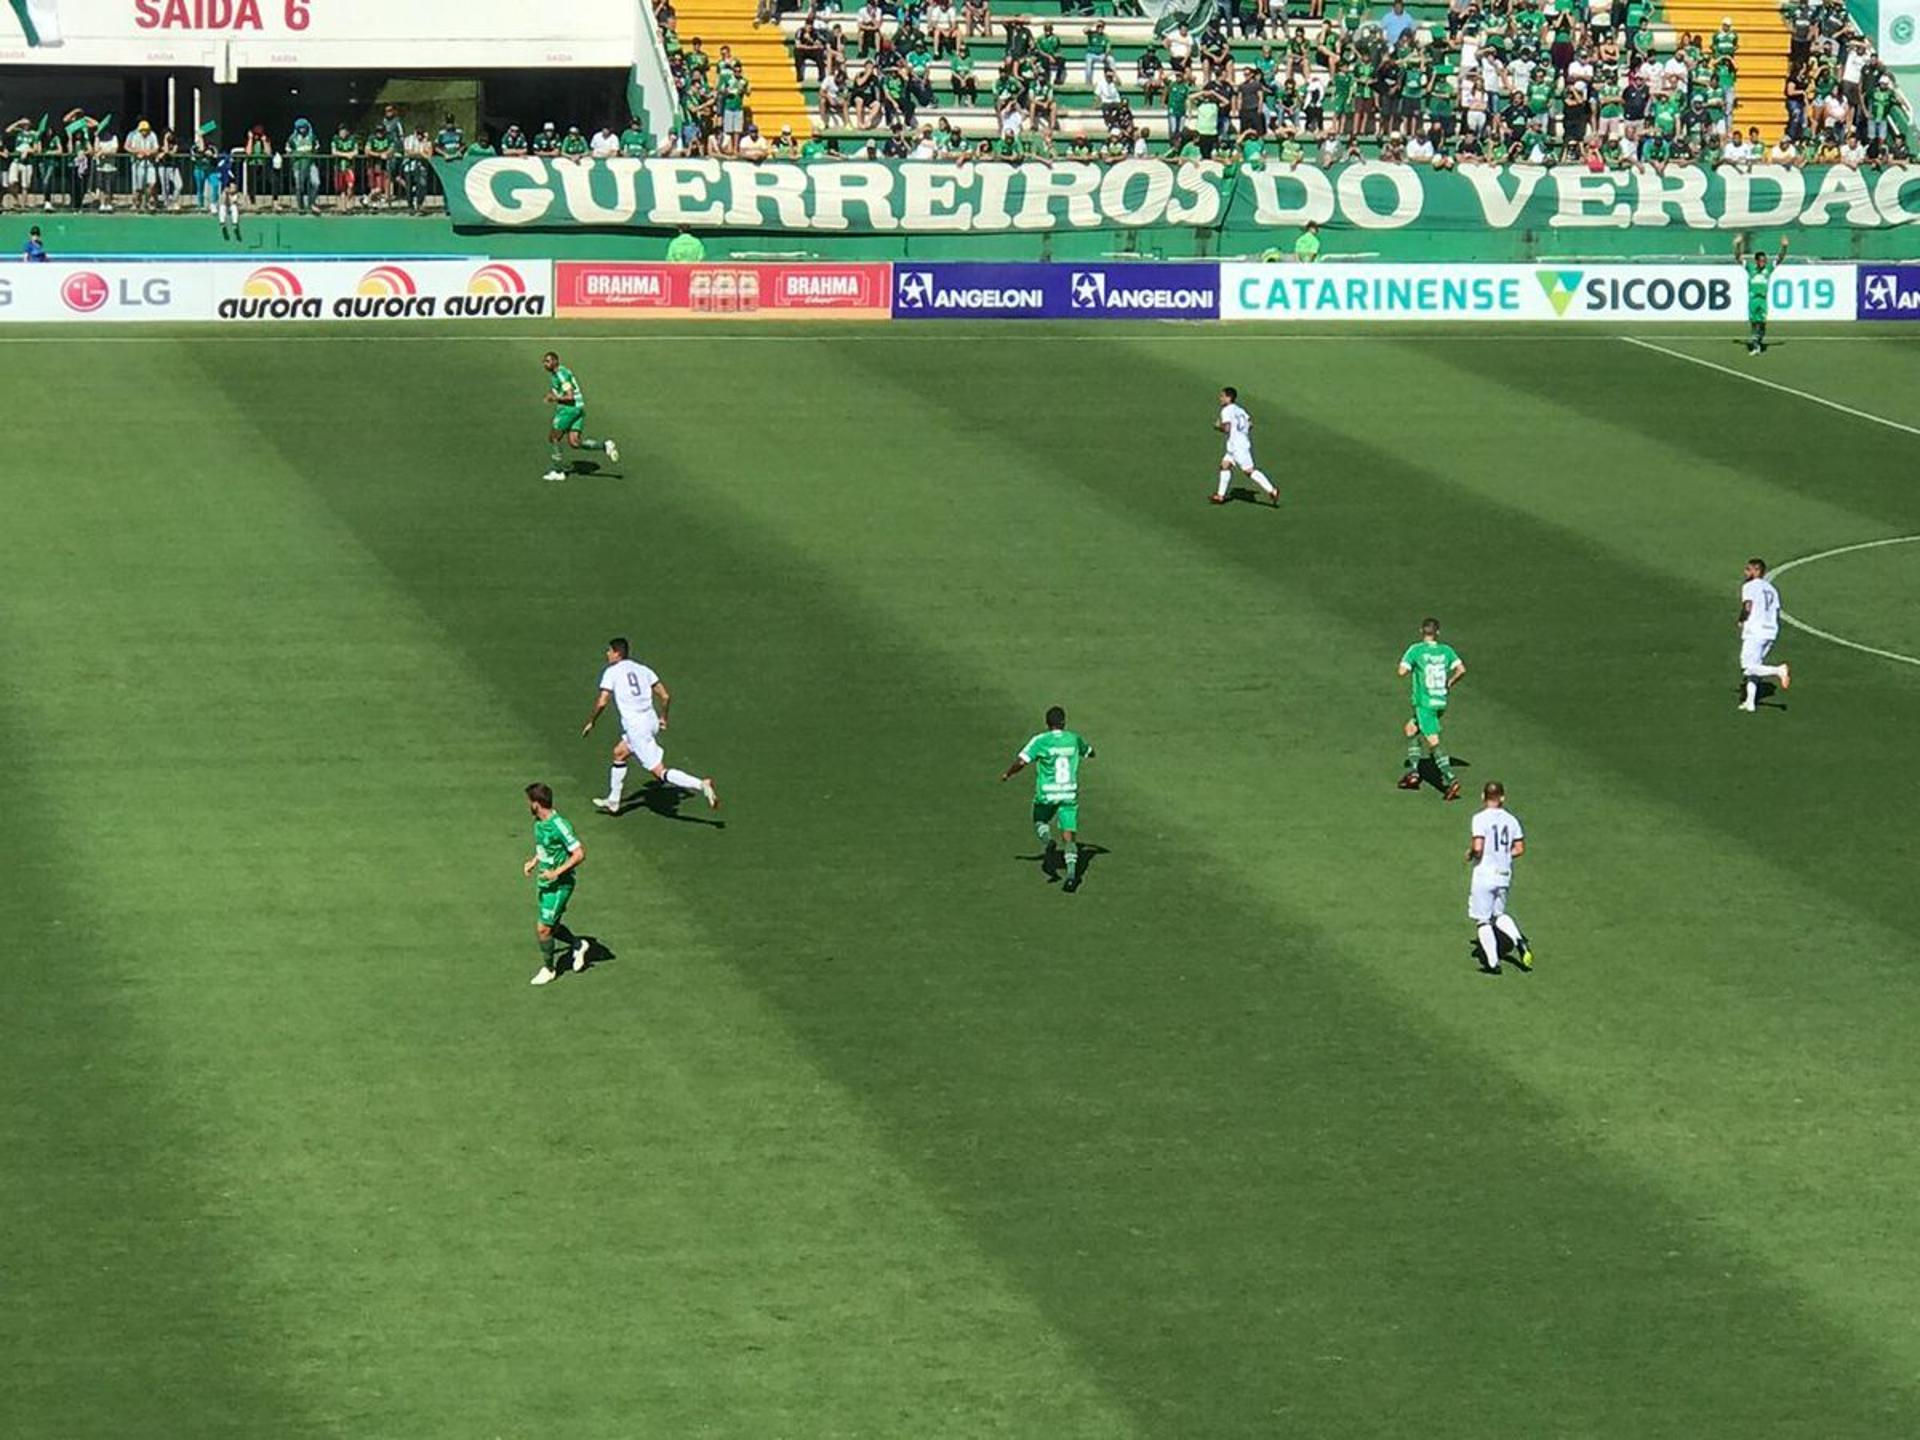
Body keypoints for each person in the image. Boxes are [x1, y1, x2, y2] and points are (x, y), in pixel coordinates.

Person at [584, 637, 721, 815]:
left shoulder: (612, 672)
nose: (607, 654)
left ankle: (701, 784)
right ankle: (613, 801)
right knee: (619, 752)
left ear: (617, 653)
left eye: (609, 651)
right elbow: (665, 696)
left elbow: (602, 702)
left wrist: (591, 721)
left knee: (659, 772)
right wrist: (663, 717)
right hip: (650, 720)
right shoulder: (643, 669)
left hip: (636, 727)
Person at [1000, 705, 1095, 892]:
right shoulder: (1073, 739)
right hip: (1068, 793)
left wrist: (1008, 774)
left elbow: (1022, 761)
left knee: (1040, 819)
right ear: (1064, 722)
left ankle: (1047, 841)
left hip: (1048, 794)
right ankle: (1071, 876)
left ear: (1047, 723)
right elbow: (1089, 751)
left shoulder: (1040, 740)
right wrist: (1091, 753)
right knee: (1069, 836)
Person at [522, 782, 591, 987]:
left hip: (560, 884)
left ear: (537, 803)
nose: (527, 805)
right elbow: (545, 848)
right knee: (552, 924)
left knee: (543, 928)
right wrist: (534, 862)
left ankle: (549, 969)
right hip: (545, 881)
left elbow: (579, 854)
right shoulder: (538, 823)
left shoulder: (560, 825)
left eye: (529, 801)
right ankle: (578, 945)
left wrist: (556, 873)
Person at [1466, 781, 1532, 974]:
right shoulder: (1512, 820)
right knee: (1499, 914)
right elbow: (1519, 849)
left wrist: (1471, 853)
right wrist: (1502, 856)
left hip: (1484, 875)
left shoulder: (1479, 818)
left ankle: (1493, 963)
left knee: (1483, 920)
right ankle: (1519, 940)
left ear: (1483, 797)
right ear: (1502, 797)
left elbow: (1478, 847)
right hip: (1504, 874)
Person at [1397, 617, 1466, 799]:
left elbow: (1401, 671)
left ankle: (1450, 779)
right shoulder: (1446, 650)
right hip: (1440, 701)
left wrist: (1416, 668)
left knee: (1432, 740)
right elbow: (1461, 670)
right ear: (1438, 632)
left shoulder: (1416, 650)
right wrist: (1450, 682)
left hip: (1424, 703)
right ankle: (1413, 773)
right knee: (1411, 728)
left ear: (1421, 631)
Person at [540, 351, 619, 480]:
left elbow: (569, 396)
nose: (545, 364)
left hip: (569, 409)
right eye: (544, 361)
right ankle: (605, 445)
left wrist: (555, 398)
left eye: (547, 361)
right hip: (578, 409)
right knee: (574, 442)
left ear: (555, 361)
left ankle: (558, 471)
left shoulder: (561, 375)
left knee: (554, 438)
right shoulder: (559, 373)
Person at [1737, 557, 1791, 712]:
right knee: (1756, 667)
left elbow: (1748, 605)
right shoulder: (1771, 589)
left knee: (1747, 668)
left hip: (1755, 631)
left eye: (1748, 569)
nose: (1745, 572)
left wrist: (1741, 620)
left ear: (1757, 570)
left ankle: (1779, 670)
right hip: (1770, 631)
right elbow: (1776, 610)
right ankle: (1750, 702)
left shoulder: (1750, 586)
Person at [1211, 386, 1280, 506]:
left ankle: (1272, 490)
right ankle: (1220, 496)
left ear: (1229, 397)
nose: (1220, 398)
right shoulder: (1240, 409)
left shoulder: (1226, 410)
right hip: (1236, 444)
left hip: (1238, 446)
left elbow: (1227, 428)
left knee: (1249, 471)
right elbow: (1250, 424)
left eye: (1222, 396)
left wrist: (1218, 426)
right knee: (1225, 466)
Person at [1734, 232, 1788, 354]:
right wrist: (1738, 245)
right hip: (1753, 300)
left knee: (1762, 324)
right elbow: (1738, 258)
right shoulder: (1750, 268)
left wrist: (1784, 247)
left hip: (1763, 300)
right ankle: (1755, 345)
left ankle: (1758, 340)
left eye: (1764, 260)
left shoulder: (1768, 269)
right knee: (1754, 323)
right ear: (1756, 261)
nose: (1763, 262)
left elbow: (1780, 259)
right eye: (1761, 260)